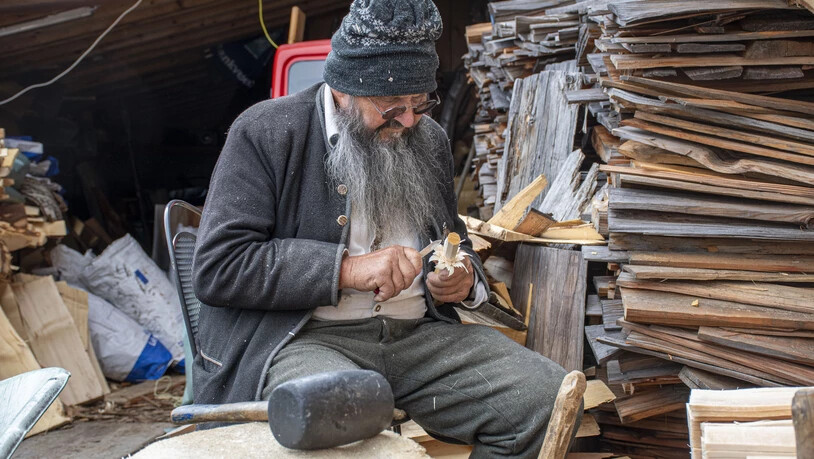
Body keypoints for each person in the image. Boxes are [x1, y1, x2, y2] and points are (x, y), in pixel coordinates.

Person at [192, 0, 573, 456]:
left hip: (415, 338)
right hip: (306, 340)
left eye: (418, 103)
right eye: (392, 105)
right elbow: (220, 267)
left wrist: (461, 278)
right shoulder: (266, 132)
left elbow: (453, 240)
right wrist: (346, 269)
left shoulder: (425, 138)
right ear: (343, 89)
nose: (409, 120)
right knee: (338, 413)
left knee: (545, 398)